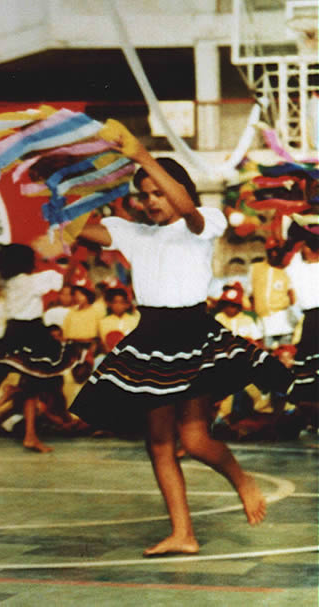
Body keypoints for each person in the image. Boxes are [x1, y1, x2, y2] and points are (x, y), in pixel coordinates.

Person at [67, 121, 294, 557]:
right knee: (158, 443)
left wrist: (143, 157)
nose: (152, 202)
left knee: (193, 440)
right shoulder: (134, 233)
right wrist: (63, 179)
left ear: (175, 187)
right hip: (149, 338)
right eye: (145, 195)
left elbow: (187, 209)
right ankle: (182, 532)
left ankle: (241, 479)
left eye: (158, 192)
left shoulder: (204, 220)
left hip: (192, 336)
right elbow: (78, 227)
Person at [0, 243, 74, 453]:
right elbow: (64, 282)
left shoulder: (8, 281)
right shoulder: (32, 281)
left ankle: (29, 433)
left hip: (13, 330)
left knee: (34, 386)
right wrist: (74, 259)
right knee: (45, 379)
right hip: (32, 331)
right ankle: (16, 392)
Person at [284, 225, 319, 424]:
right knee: (307, 379)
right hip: (310, 322)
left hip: (314, 320)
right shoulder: (298, 267)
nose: (302, 249)